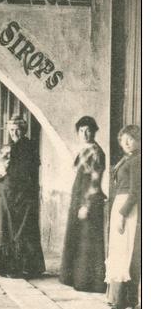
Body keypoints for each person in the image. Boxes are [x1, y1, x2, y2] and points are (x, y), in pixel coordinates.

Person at [0, 116, 45, 277]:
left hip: (22, 194)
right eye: (11, 130)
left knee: (20, 229)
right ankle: (3, 266)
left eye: (17, 129)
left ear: (24, 130)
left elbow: (32, 171)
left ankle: (20, 267)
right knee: (5, 229)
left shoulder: (30, 146)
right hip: (5, 193)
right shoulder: (6, 147)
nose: (14, 133)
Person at [60, 116, 106, 292]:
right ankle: (77, 279)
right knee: (78, 238)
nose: (85, 134)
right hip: (78, 196)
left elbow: (95, 180)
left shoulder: (96, 151)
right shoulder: (82, 150)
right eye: (81, 130)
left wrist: (86, 205)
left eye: (88, 130)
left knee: (88, 241)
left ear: (94, 131)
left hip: (90, 198)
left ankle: (90, 282)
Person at [105, 125, 141, 309]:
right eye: (123, 139)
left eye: (131, 139)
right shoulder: (127, 159)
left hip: (129, 208)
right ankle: (121, 297)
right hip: (120, 204)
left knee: (125, 252)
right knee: (119, 251)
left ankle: (123, 299)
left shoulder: (138, 160)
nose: (126, 143)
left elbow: (136, 192)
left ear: (139, 140)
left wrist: (122, 214)